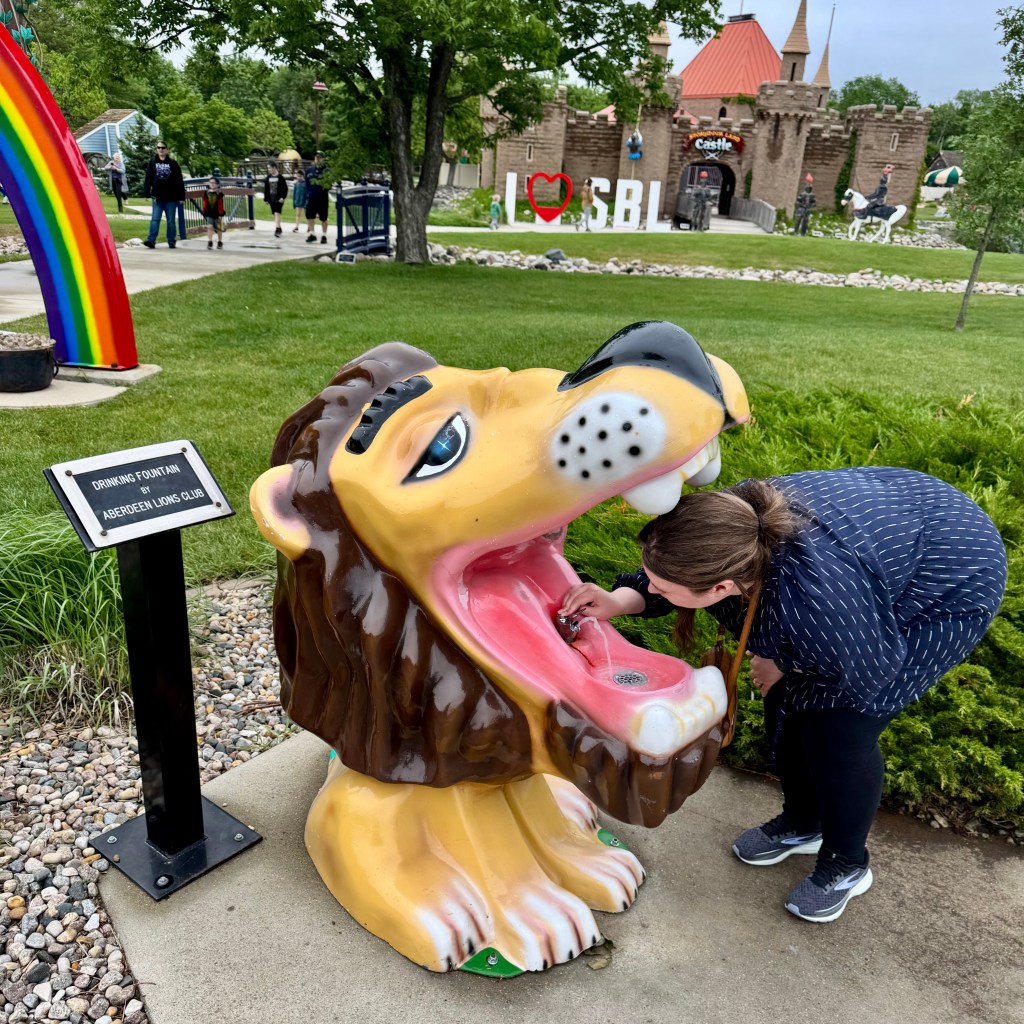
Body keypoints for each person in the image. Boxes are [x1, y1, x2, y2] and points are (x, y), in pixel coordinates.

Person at [560, 467, 1007, 924]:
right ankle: (804, 823)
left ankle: (846, 863)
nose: (652, 587)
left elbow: (872, 673)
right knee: (789, 706)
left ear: (722, 589)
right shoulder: (729, 528)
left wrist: (784, 663)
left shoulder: (820, 606)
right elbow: (673, 575)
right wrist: (619, 599)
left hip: (950, 573)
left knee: (840, 732)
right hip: (891, 521)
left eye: (661, 588)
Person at [142, 141, 185, 249]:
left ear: (167, 150)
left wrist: (181, 196)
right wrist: (147, 192)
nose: (160, 149)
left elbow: (179, 181)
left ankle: (171, 241)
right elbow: (149, 178)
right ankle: (151, 240)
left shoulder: (173, 163)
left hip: (171, 198)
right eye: (158, 147)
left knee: (170, 220)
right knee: (155, 219)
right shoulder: (152, 162)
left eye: (163, 147)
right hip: (157, 197)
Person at [304, 151, 330, 245]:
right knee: (310, 215)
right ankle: (312, 234)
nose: (317, 159)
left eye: (319, 157)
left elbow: (329, 184)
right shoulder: (309, 170)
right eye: (316, 157)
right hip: (312, 196)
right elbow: (306, 182)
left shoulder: (326, 170)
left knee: (323, 217)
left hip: (322, 196)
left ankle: (324, 235)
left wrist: (323, 190)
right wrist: (309, 192)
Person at [263, 161, 289, 237]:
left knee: (277, 212)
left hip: (279, 198)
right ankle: (279, 227)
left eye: (270, 168)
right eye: (268, 168)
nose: (269, 169)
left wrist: (282, 197)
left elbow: (285, 189)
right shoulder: (268, 178)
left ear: (274, 168)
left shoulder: (280, 178)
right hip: (271, 198)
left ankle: (277, 229)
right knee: (275, 213)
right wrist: (266, 199)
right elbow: (266, 189)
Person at [201, 176, 226, 250]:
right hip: (209, 212)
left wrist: (217, 191)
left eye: (214, 183)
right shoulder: (206, 192)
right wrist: (204, 211)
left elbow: (220, 202)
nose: (212, 184)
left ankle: (220, 241)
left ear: (217, 184)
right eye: (210, 183)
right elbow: (205, 202)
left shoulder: (219, 193)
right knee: (210, 226)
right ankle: (210, 241)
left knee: (219, 228)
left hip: (217, 213)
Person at [291, 168, 307, 232]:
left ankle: (309, 226)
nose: (299, 177)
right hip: (298, 201)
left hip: (304, 201)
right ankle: (297, 226)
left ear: (303, 176)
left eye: (300, 176)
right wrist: (294, 202)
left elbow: (307, 193)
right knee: (297, 214)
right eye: (298, 176)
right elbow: (294, 194)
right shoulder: (296, 184)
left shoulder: (305, 184)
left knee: (307, 215)